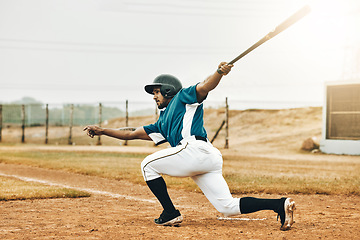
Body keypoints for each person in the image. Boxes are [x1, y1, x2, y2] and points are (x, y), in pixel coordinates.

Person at [83, 62, 296, 231]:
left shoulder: (182, 97)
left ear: (168, 90)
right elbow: (131, 133)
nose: (154, 96)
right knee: (227, 207)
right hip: (206, 157)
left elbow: (205, 86)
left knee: (148, 164)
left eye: (156, 91)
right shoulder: (162, 122)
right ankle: (279, 204)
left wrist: (219, 73)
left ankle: (170, 213)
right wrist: (102, 131)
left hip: (194, 150)